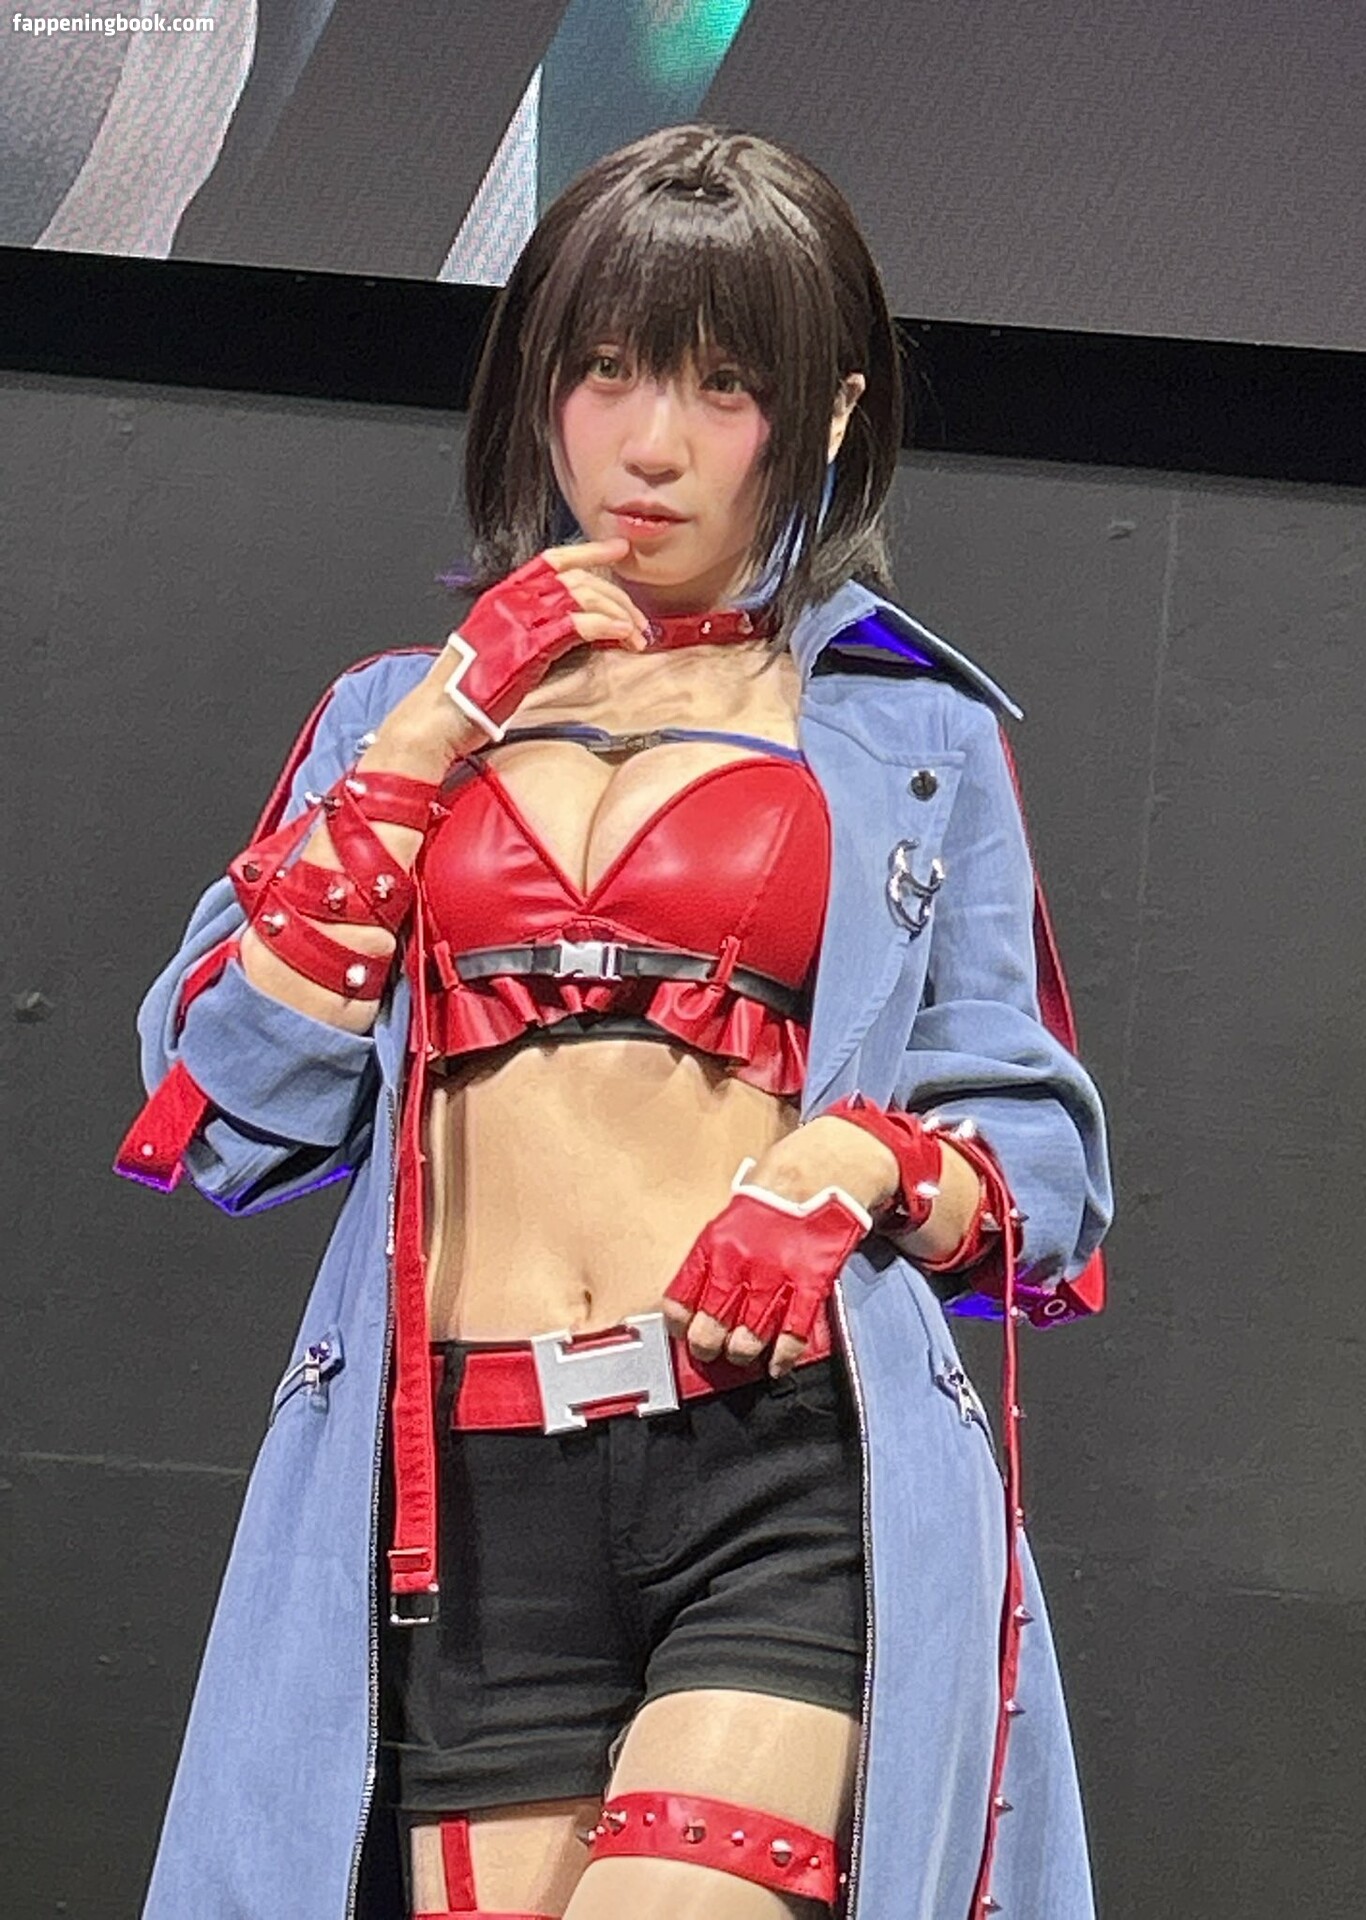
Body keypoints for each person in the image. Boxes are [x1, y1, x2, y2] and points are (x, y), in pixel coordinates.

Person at [117, 123, 1113, 1920]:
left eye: (725, 388)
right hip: (460, 1508)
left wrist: (854, 1163)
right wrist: (426, 742)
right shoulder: (386, 718)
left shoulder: (914, 737)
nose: (652, 445)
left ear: (826, 413)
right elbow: (232, 1110)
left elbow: (1040, 1166)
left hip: (777, 1474)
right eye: (608, 370)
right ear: (544, 385)